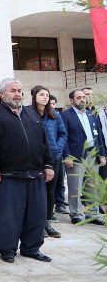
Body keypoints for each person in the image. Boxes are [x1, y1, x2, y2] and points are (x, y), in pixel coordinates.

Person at [0, 78, 54, 263]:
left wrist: (48, 164)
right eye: (13, 90)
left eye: (20, 90)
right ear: (3, 93)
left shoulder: (31, 114)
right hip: (8, 175)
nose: (17, 94)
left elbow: (43, 142)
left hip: (35, 174)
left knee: (36, 215)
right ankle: (7, 249)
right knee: (9, 216)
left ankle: (31, 248)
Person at [60, 89, 106, 225]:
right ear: (71, 101)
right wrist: (67, 156)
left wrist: (102, 154)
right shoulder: (65, 115)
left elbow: (99, 137)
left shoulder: (92, 115)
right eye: (78, 97)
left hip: (93, 155)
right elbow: (64, 136)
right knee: (75, 186)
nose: (82, 99)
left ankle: (93, 214)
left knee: (92, 185)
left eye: (83, 97)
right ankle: (76, 213)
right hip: (76, 156)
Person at [29, 85, 67, 238]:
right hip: (34, 158)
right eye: (42, 94)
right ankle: (35, 224)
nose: (45, 97)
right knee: (36, 192)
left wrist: (57, 150)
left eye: (47, 95)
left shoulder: (55, 115)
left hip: (53, 158)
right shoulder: (28, 113)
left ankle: (46, 222)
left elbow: (63, 134)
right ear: (34, 96)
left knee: (50, 191)